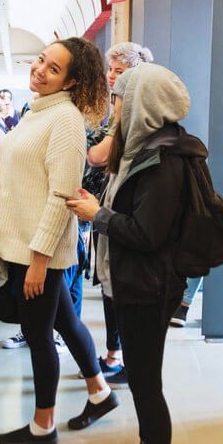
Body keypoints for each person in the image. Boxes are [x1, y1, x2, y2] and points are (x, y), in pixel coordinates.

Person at [66, 63, 204, 444]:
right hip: (139, 282)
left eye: (118, 99)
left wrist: (98, 216)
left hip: (150, 285)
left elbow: (147, 234)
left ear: (140, 102)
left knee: (145, 381)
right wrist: (101, 207)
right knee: (144, 378)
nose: (113, 109)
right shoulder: (146, 148)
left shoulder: (162, 161)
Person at [0, 37, 117, 444]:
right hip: (21, 241)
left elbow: (62, 195)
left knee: (39, 337)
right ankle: (99, 393)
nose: (40, 69)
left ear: (71, 81)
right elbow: (26, 164)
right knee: (65, 322)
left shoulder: (66, 121)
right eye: (40, 60)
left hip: (39, 248)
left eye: (53, 68)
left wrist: (39, 260)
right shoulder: (36, 112)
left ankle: (43, 426)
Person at [85, 41, 154, 390]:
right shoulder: (118, 116)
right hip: (109, 211)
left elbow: (98, 156)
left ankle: (126, 361)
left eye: (119, 72)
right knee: (110, 288)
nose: (112, 78)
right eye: (110, 71)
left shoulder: (138, 123)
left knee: (122, 292)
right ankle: (115, 356)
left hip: (124, 217)